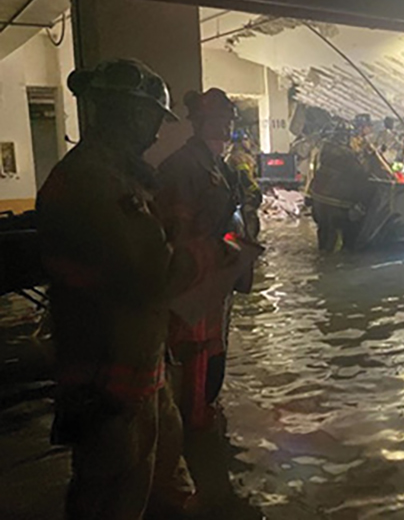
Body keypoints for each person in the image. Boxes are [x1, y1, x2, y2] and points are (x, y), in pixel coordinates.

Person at [37, 59, 197, 519]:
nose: (153, 133)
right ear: (126, 113)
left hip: (137, 366)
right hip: (108, 379)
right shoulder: (94, 182)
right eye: (150, 119)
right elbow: (150, 277)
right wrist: (202, 257)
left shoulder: (117, 176)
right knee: (111, 493)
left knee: (154, 469)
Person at [156, 88, 241, 431]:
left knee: (210, 350)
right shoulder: (183, 165)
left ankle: (202, 420)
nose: (226, 129)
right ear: (202, 123)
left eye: (228, 122)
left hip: (214, 273)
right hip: (192, 276)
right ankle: (189, 430)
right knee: (191, 353)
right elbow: (174, 229)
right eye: (220, 121)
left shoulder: (215, 164)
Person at [308, 123, 372, 252]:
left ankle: (323, 258)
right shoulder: (347, 155)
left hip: (318, 202)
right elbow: (362, 177)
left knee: (324, 232)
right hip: (337, 205)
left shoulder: (323, 151)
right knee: (348, 235)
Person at [225, 129, 263, 242]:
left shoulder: (232, 156)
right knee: (250, 228)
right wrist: (256, 192)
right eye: (246, 140)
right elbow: (244, 178)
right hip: (245, 198)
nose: (249, 143)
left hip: (238, 198)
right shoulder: (239, 158)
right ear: (241, 142)